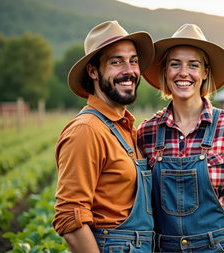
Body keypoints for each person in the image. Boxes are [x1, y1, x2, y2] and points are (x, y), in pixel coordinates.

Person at [137, 24, 224, 252]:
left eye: (193, 65)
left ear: (205, 72)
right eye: (175, 64)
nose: (184, 73)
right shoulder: (147, 132)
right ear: (165, 71)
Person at [52, 20, 155, 253]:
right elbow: (70, 218)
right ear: (93, 71)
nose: (129, 70)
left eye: (134, 61)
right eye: (116, 62)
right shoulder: (87, 130)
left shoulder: (125, 128)